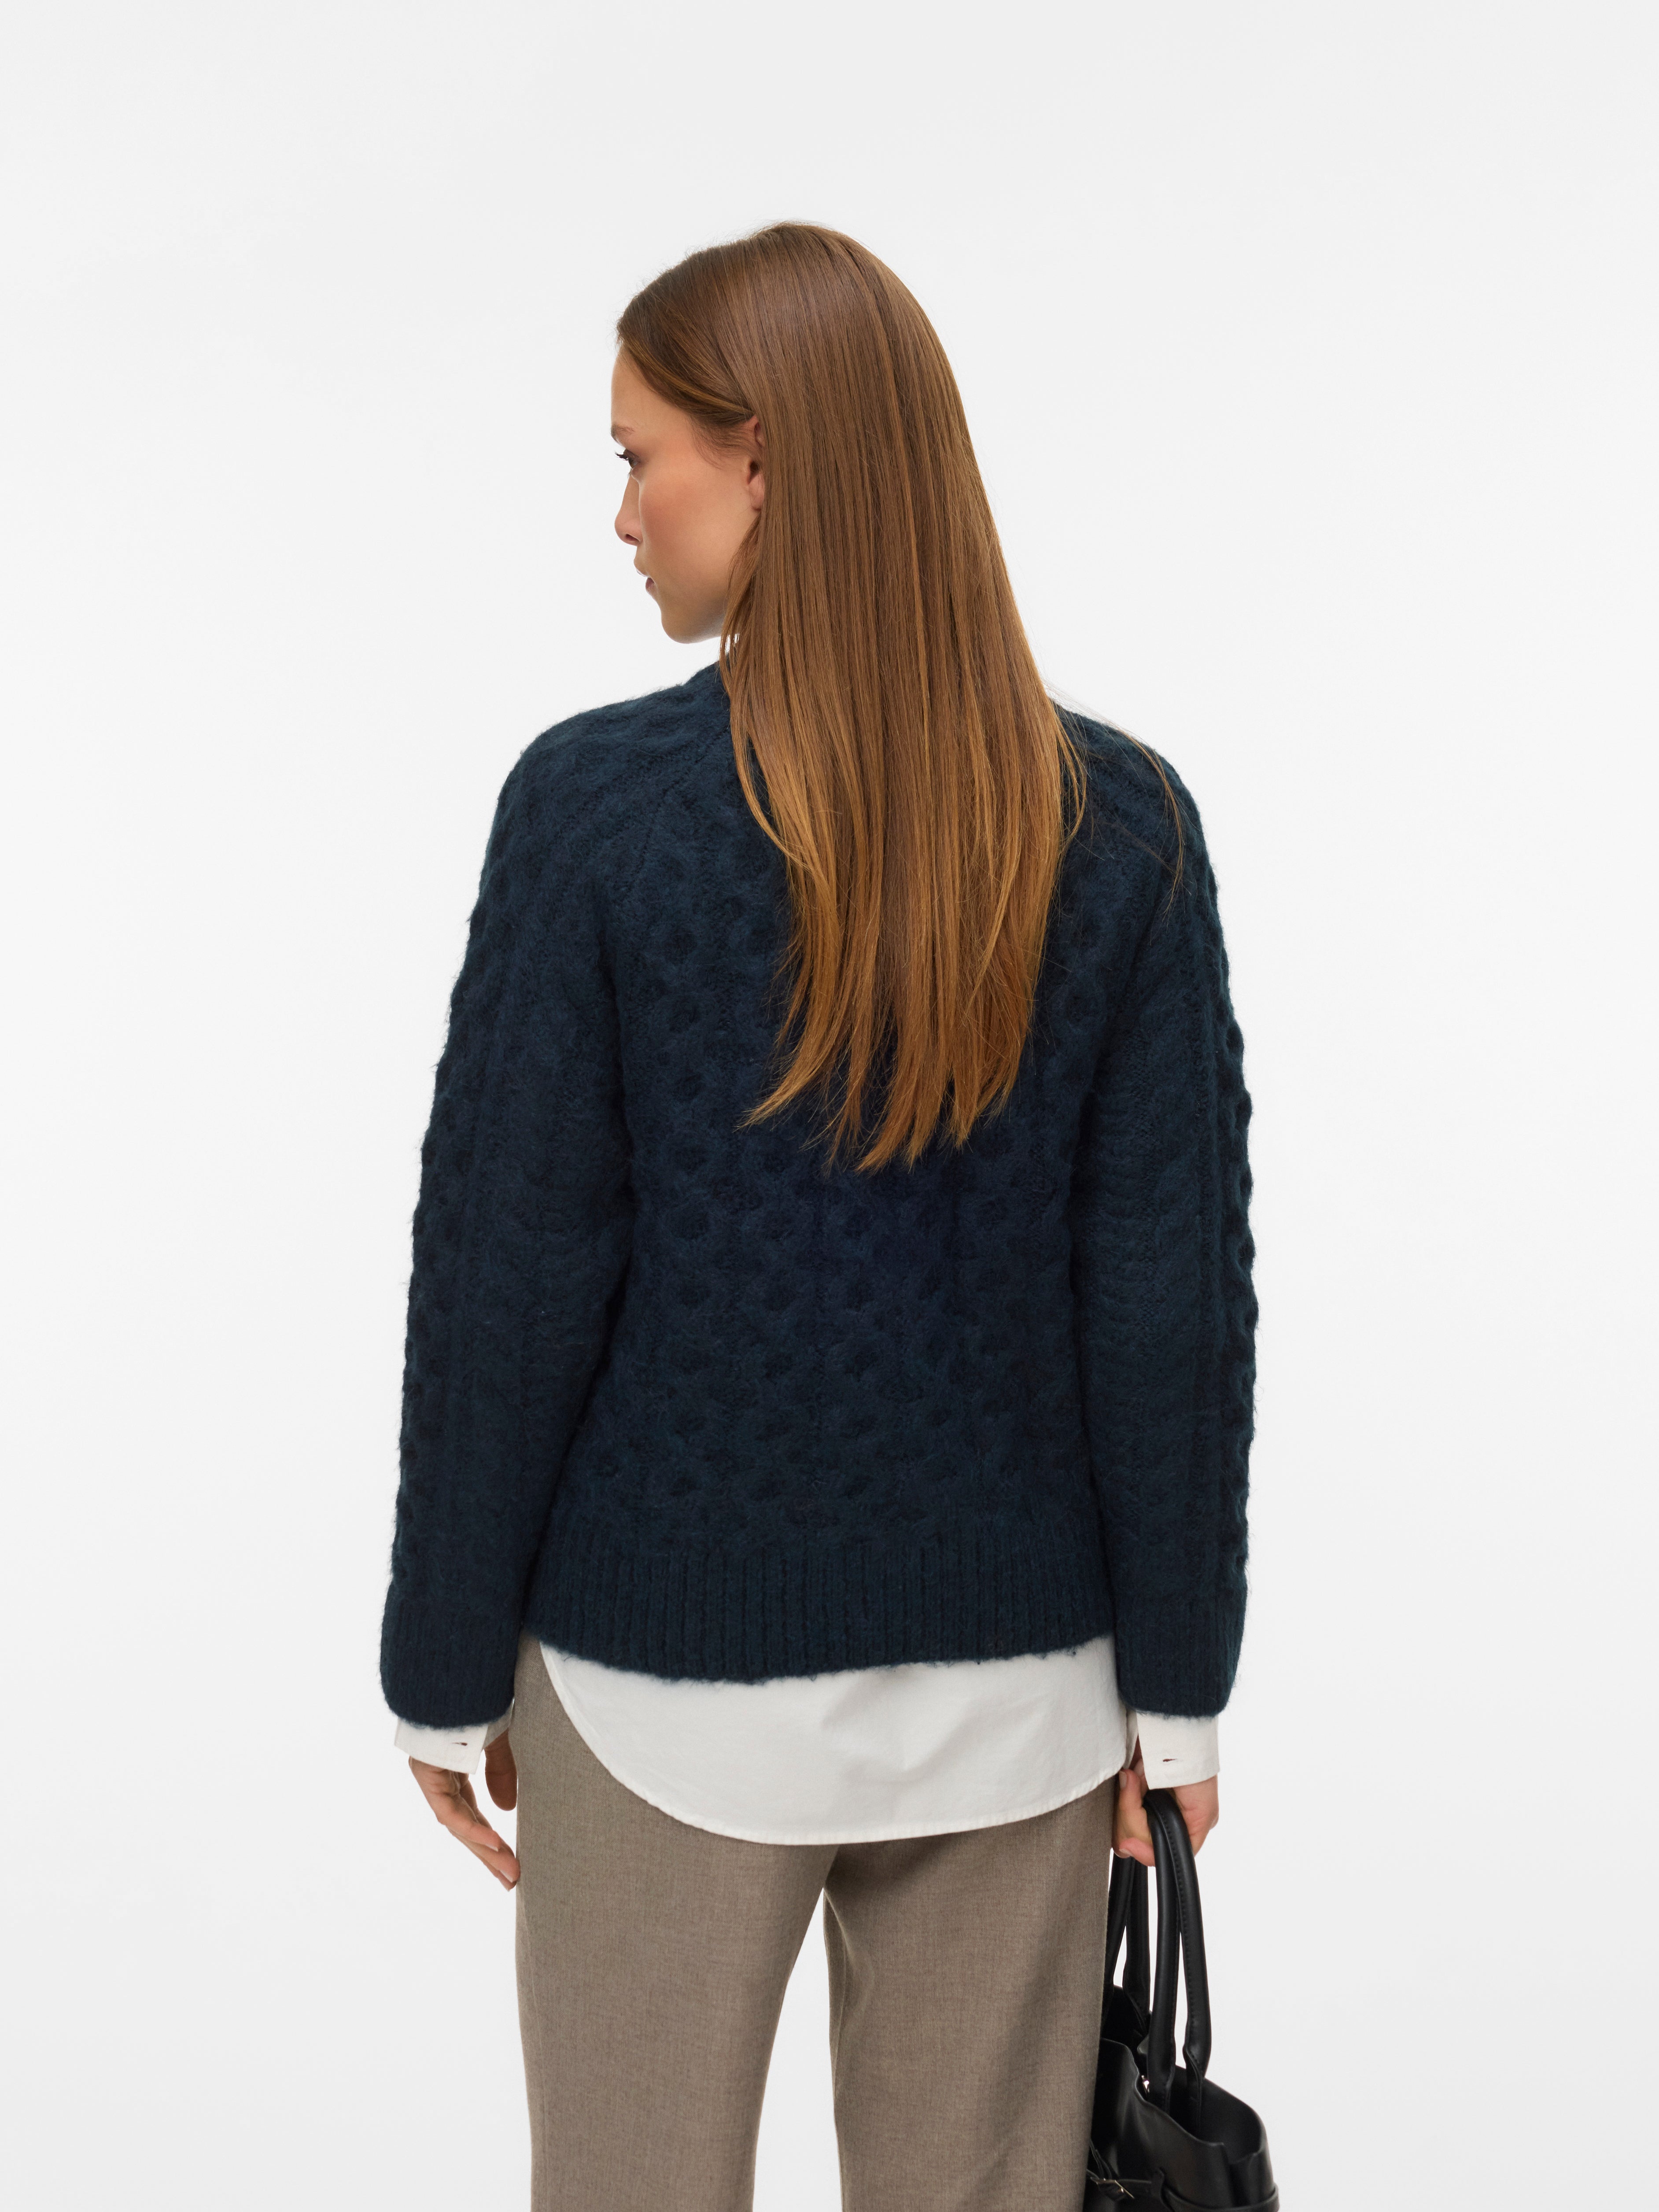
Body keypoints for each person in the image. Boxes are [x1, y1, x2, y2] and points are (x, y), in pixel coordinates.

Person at [380, 222, 1256, 2212]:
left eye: (640, 457)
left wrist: (442, 1661)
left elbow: (511, 1278)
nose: (623, 513)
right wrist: (1177, 1689)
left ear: (760, 460)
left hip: (655, 1679)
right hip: (1024, 1699)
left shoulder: (595, 813)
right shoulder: (1118, 822)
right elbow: (1165, 1304)